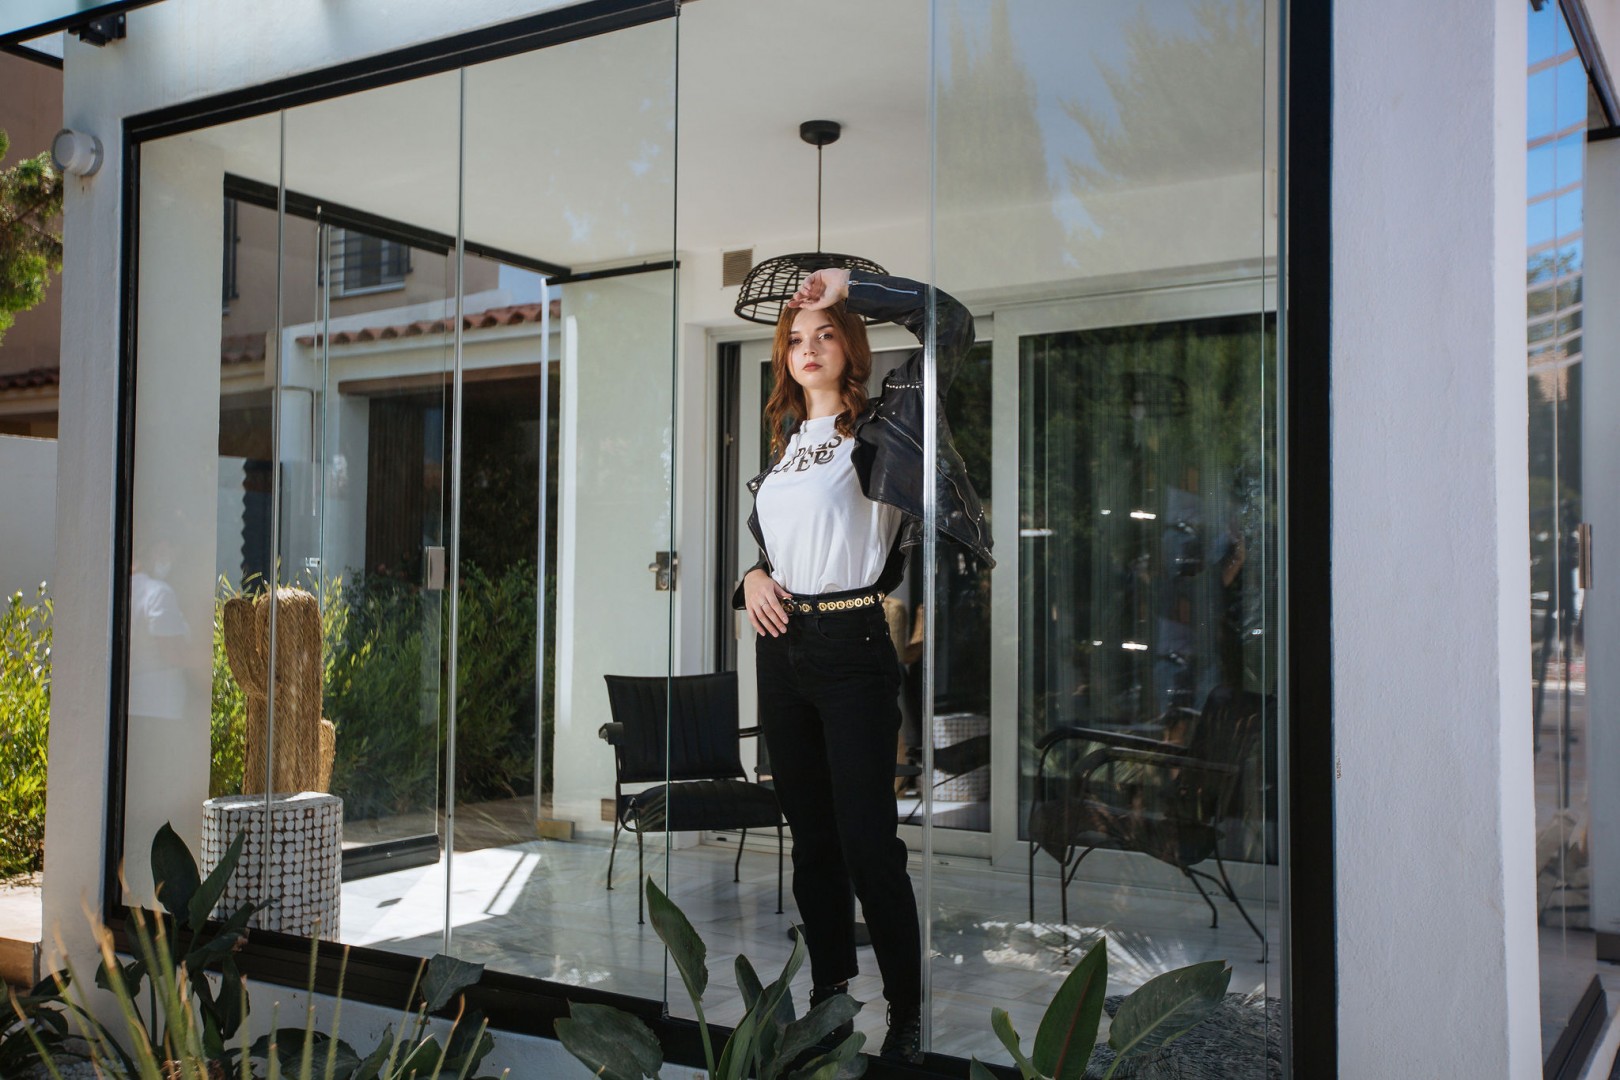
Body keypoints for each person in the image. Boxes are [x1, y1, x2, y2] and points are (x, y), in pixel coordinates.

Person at [732, 268, 993, 1063]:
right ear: (784, 357)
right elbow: (784, 549)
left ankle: (907, 1015)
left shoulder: (887, 425)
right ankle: (830, 997)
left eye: (826, 334)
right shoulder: (785, 447)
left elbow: (948, 322)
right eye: (796, 339)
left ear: (851, 346)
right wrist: (750, 577)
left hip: (854, 647)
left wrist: (853, 286)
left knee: (869, 844)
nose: (809, 348)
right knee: (812, 841)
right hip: (782, 652)